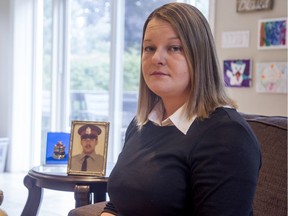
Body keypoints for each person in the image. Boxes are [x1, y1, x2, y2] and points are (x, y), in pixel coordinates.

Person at [101, 2, 261, 216]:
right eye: (149, 48)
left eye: (174, 48)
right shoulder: (141, 123)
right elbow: (117, 205)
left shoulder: (228, 135)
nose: (156, 58)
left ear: (199, 57)